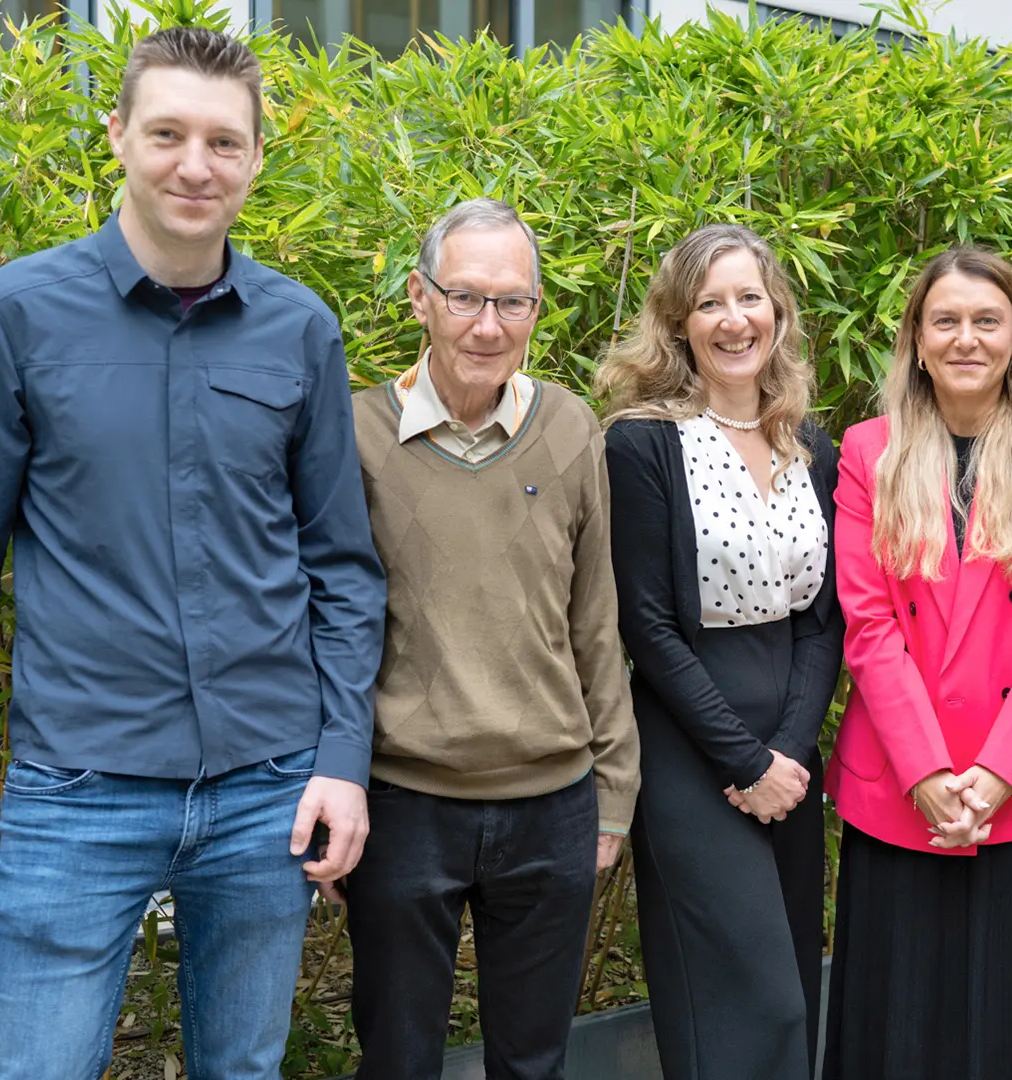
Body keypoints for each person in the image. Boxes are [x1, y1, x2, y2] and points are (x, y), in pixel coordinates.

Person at [0, 28, 385, 1078]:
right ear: (118, 133)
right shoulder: (17, 313)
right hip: (78, 788)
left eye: (225, 141)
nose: (194, 164)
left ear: (257, 158)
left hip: (268, 790)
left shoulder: (300, 330)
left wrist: (341, 763)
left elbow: (341, 568)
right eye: (167, 132)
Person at [345, 198, 639, 1079]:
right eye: (465, 297)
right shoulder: (352, 433)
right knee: (397, 1059)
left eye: (513, 302)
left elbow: (596, 620)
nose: (488, 324)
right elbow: (324, 629)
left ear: (537, 310)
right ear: (418, 297)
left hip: (553, 803)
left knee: (533, 1062)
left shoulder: (571, 429)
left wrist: (612, 795)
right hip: (401, 802)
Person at [823, 246, 1012, 1080]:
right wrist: (927, 771)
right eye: (946, 320)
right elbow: (869, 623)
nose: (967, 339)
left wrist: (996, 774)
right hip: (900, 779)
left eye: (987, 320)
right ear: (917, 341)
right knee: (902, 1012)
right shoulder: (868, 451)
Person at [598, 223, 842, 1080]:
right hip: (691, 750)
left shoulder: (813, 447)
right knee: (744, 1005)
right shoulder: (642, 444)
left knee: (793, 1006)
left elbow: (823, 622)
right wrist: (744, 760)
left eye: (750, 298)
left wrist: (789, 753)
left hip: (790, 749)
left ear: (777, 311)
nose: (734, 320)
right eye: (711, 303)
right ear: (678, 323)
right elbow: (647, 626)